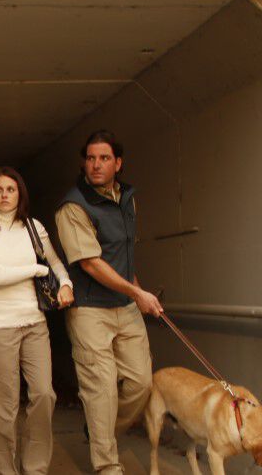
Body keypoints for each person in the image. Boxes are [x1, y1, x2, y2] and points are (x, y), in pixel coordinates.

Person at [55, 130, 164, 474]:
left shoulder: (127, 199)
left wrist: (139, 292)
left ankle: (100, 431)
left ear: (118, 163)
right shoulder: (73, 206)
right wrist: (138, 294)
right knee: (101, 390)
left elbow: (123, 258)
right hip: (89, 310)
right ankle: (107, 466)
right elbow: (90, 262)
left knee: (141, 383)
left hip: (125, 305)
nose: (96, 164)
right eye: (90, 158)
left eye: (103, 158)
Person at [0, 166, 74, 475]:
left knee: (44, 394)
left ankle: (36, 468)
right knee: (5, 407)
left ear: (20, 194)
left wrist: (66, 283)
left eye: (10, 189)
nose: (4, 195)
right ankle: (7, 470)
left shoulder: (33, 227)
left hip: (34, 324)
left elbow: (55, 261)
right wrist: (38, 270)